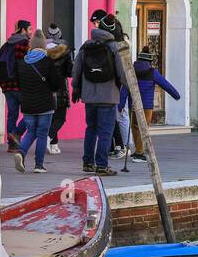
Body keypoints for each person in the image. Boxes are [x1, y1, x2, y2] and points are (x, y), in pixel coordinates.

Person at [71, 13, 121, 177]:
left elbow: (76, 68)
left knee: (91, 129)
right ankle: (102, 164)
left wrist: (76, 87)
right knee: (106, 131)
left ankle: (87, 162)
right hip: (108, 96)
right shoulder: (114, 47)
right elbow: (122, 71)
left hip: (89, 96)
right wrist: (130, 89)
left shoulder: (86, 45)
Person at [13, 30, 63, 173]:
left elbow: (17, 83)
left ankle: (21, 152)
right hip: (45, 104)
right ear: (43, 46)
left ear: (31, 45)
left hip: (27, 104)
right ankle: (39, 165)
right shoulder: (48, 62)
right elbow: (55, 84)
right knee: (42, 133)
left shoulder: (22, 63)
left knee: (30, 131)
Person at [129, 48, 182, 163]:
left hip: (133, 104)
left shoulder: (132, 71)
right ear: (149, 61)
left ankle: (138, 150)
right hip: (147, 106)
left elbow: (125, 89)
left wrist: (121, 104)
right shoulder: (152, 72)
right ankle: (139, 153)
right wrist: (177, 96)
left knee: (135, 126)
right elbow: (165, 85)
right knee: (144, 127)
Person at [0, 19, 32, 151]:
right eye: (30, 29)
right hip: (20, 85)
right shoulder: (23, 44)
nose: (31, 32)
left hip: (7, 85)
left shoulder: (7, 44)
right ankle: (16, 134)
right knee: (31, 113)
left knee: (12, 114)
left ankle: (12, 146)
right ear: (23, 30)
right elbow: (27, 65)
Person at [99, 13, 129, 159]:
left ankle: (120, 145)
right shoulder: (120, 46)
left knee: (118, 116)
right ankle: (117, 145)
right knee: (115, 117)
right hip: (114, 86)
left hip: (109, 87)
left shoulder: (115, 47)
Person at [44, 23, 71, 155]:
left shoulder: (42, 50)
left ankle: (54, 144)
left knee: (51, 116)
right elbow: (70, 71)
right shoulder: (65, 50)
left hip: (46, 87)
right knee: (60, 117)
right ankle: (48, 138)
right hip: (60, 87)